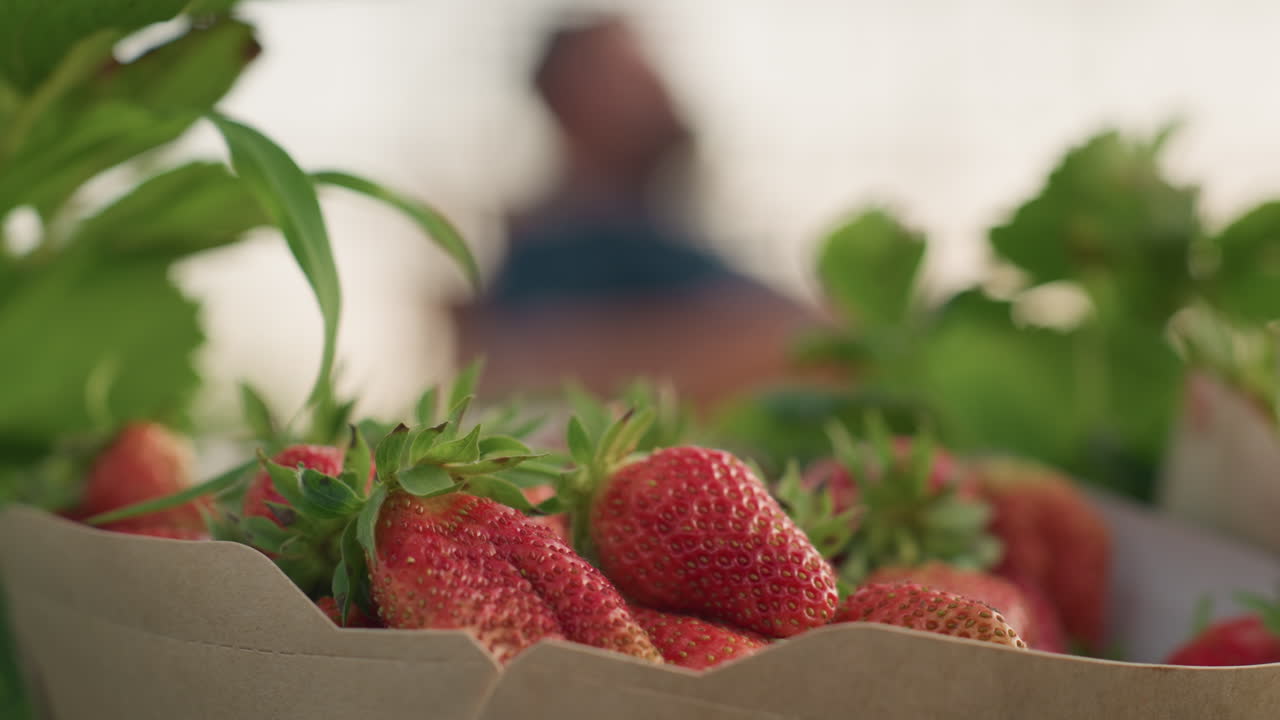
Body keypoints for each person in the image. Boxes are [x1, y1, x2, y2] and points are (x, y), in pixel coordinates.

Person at [453, 13, 828, 408]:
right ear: (568, 99)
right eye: (629, 71)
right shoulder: (561, 248)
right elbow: (536, 371)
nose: (658, 85)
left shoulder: (665, 236)